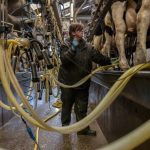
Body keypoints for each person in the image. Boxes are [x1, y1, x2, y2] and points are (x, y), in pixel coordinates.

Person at [58, 23, 111, 136]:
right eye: (80, 30)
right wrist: (74, 46)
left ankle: (82, 129)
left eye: (82, 30)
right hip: (68, 83)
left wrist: (110, 61)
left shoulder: (87, 46)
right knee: (67, 105)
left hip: (82, 83)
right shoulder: (65, 45)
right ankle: (65, 128)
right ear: (73, 33)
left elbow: (97, 57)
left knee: (82, 107)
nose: (83, 32)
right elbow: (65, 60)